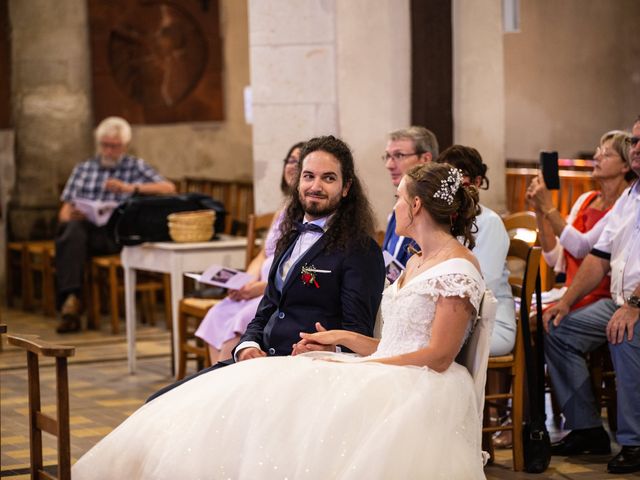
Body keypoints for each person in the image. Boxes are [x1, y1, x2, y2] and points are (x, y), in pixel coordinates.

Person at [72, 161, 487, 479]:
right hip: (392, 369)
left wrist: (365, 364)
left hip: (419, 388)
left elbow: (436, 355)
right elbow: (398, 343)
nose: (394, 205)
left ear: (415, 205)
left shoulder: (457, 268)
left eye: (399, 196)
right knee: (268, 382)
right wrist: (341, 338)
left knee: (292, 393)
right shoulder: (416, 260)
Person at [145, 135, 385, 402]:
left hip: (306, 373)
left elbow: (359, 332)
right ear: (297, 182)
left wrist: (330, 348)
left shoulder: (360, 250)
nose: (315, 186)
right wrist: (247, 346)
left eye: (328, 178)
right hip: (262, 363)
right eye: (308, 176)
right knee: (161, 400)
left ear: (346, 187)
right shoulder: (289, 237)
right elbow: (267, 310)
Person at [543, 119, 640, 474]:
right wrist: (566, 301)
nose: (637, 147)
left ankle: (634, 441)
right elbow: (597, 259)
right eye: (635, 141)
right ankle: (586, 428)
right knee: (558, 328)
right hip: (619, 300)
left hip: (636, 304)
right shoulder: (630, 199)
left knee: (624, 331)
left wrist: (634, 306)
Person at [55, 116, 176, 333]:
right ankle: (71, 300)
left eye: (115, 146)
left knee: (72, 240)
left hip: (118, 234)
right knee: (71, 231)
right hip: (87, 231)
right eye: (105, 145)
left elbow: (168, 188)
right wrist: (74, 214)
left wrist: (130, 188)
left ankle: (71, 300)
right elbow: (63, 213)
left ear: (125, 145)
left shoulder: (134, 166)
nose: (110, 151)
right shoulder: (84, 169)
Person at [194, 142, 304, 364]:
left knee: (243, 319)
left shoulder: (310, 214)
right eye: (290, 160)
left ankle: (227, 380)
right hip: (257, 287)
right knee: (217, 313)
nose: (293, 166)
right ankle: (215, 377)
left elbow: (301, 268)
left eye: (299, 162)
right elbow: (263, 255)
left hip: (280, 292)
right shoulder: (283, 211)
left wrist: (259, 288)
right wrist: (246, 281)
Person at [527, 130, 634, 310]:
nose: (596, 157)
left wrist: (548, 207)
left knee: (537, 322)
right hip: (569, 291)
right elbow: (553, 257)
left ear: (626, 166)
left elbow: (579, 247)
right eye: (598, 151)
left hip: (597, 296)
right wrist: (539, 210)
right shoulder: (586, 199)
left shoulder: (624, 206)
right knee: (522, 314)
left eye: (606, 154)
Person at [436, 145, 515, 356]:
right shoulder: (444, 220)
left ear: (477, 182)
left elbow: (482, 285)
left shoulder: (489, 222)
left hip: (490, 322)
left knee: (428, 345)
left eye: (458, 175)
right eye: (445, 175)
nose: (450, 183)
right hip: (449, 312)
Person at [381, 126, 438, 267]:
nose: (389, 165)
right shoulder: (398, 208)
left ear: (425, 159)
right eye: (388, 156)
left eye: (399, 155)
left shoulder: (436, 214)